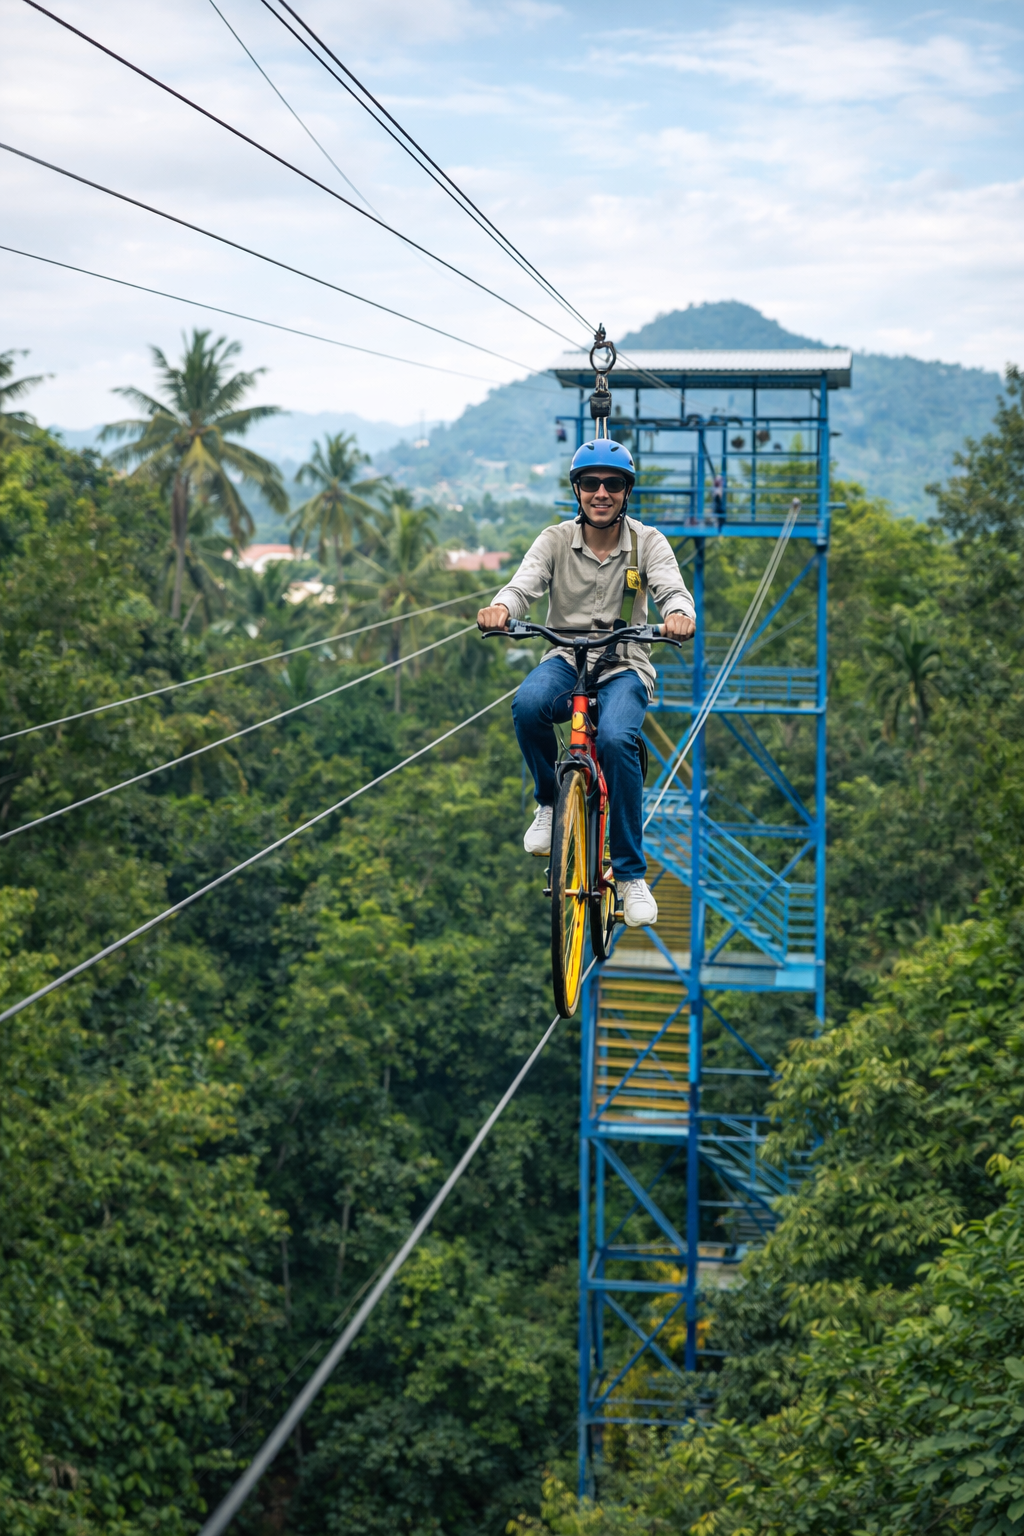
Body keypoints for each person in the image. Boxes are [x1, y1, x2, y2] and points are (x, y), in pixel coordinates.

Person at [477, 438, 696, 927]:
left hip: (624, 664)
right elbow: (524, 584)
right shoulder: (554, 540)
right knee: (529, 705)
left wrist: (678, 615)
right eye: (592, 483)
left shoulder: (648, 543)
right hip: (566, 658)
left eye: (613, 484)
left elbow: (671, 589)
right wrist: (502, 609)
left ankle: (631, 875)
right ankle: (551, 802)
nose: (602, 493)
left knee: (618, 739)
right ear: (577, 490)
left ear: (626, 492)